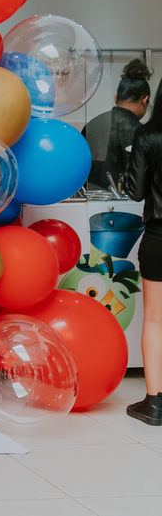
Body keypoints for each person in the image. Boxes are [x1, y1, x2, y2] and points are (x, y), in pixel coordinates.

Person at [126, 95, 162, 426]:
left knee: (155, 320)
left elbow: (135, 191)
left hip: (159, 237)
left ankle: (155, 404)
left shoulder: (148, 135)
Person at [85, 59, 152, 192]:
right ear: (145, 100)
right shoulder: (140, 131)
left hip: (90, 204)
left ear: (116, 98)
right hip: (126, 206)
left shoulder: (91, 125)